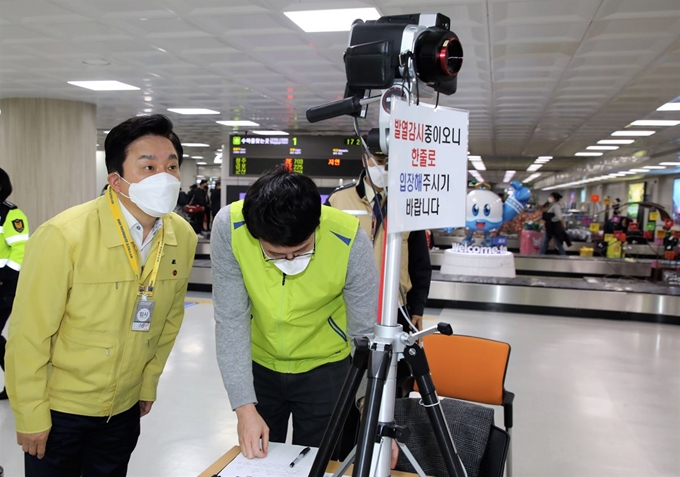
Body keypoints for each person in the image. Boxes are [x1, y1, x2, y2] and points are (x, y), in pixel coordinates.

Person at [5, 114, 198, 477]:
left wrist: (147, 384)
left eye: (172, 166)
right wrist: (30, 414)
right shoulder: (65, 235)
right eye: (149, 166)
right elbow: (28, 335)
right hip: (62, 410)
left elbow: (169, 322)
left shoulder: (180, 236)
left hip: (123, 410)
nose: (165, 177)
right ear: (116, 180)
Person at [211, 167, 378, 458]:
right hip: (259, 364)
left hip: (326, 370)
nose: (290, 260)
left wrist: (369, 408)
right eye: (275, 254)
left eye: (302, 250)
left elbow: (364, 332)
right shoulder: (230, 227)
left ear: (317, 225)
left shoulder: (349, 237)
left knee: (318, 462)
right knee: (259, 460)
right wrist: (244, 408)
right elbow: (231, 318)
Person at [328, 152, 432, 397]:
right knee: (349, 380)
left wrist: (416, 308)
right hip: (345, 307)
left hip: (395, 309)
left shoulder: (407, 203)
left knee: (393, 383)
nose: (382, 165)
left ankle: (386, 434)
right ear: (363, 158)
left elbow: (419, 262)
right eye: (378, 158)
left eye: (388, 159)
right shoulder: (338, 200)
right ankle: (350, 433)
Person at [0, 167, 29, 400]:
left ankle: (14, 382)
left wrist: (4, 278)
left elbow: (20, 250)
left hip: (4, 285)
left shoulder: (11, 215)